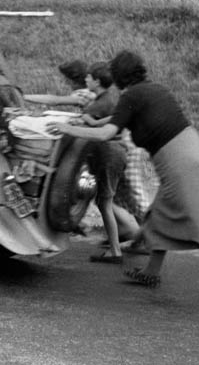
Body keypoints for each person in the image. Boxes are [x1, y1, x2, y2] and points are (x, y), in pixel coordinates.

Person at [47, 50, 199, 300]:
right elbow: (116, 119)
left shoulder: (132, 96)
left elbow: (107, 134)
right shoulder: (149, 90)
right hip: (187, 156)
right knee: (158, 215)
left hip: (182, 163)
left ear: (119, 75)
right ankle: (152, 271)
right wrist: (93, 122)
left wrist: (68, 129)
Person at [79, 62, 137, 264]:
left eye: (88, 77)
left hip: (109, 155)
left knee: (104, 203)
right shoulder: (113, 96)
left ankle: (115, 251)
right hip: (119, 154)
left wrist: (84, 118)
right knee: (111, 200)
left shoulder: (100, 103)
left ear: (96, 81)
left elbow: (88, 124)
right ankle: (139, 239)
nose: (85, 80)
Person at [24, 59, 95, 108]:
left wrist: (24, 97)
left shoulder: (84, 94)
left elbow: (56, 100)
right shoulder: (95, 88)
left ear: (69, 80)